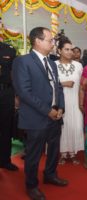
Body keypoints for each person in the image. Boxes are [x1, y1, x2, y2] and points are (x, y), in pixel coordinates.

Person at [12, 27, 68, 200]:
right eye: (50, 40)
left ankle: (50, 175)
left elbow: (58, 87)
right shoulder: (23, 61)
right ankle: (31, 185)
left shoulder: (52, 62)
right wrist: (47, 111)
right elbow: (24, 92)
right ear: (37, 41)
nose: (53, 43)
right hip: (36, 117)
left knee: (54, 149)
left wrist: (60, 107)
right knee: (34, 155)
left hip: (54, 116)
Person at [55, 37, 84, 165]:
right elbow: (48, 85)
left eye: (71, 49)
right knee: (62, 127)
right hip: (60, 102)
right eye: (66, 49)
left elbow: (83, 86)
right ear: (59, 50)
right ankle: (62, 153)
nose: (70, 52)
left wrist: (82, 103)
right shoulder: (53, 65)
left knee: (75, 126)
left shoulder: (78, 65)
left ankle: (73, 153)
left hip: (75, 102)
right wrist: (63, 84)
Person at [0, 41, 19, 171]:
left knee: (6, 128)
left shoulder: (9, 49)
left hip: (6, 92)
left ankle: (5, 160)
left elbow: (15, 73)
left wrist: (16, 95)